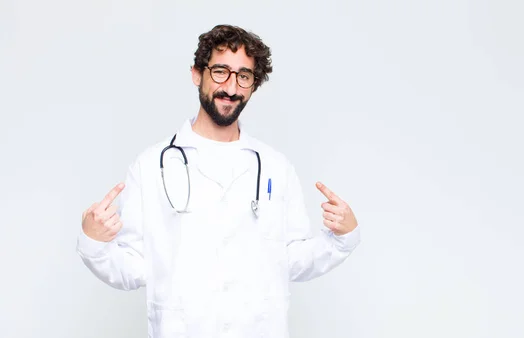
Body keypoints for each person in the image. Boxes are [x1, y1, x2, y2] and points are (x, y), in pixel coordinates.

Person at [76, 24, 361, 338]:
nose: (232, 87)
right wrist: (94, 242)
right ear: (197, 74)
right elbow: (133, 266)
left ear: (253, 85)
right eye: (221, 71)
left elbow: (290, 259)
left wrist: (341, 237)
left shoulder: (275, 168)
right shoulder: (151, 166)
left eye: (244, 76)